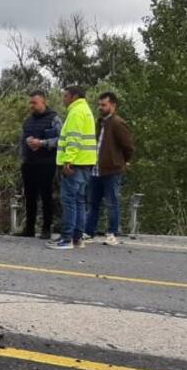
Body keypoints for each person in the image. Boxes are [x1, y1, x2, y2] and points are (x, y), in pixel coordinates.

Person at [84, 91, 135, 245]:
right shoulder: (99, 122)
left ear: (113, 105)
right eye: (99, 105)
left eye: (104, 105)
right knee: (93, 202)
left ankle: (112, 233)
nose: (100, 107)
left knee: (112, 202)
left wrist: (121, 162)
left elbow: (129, 147)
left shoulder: (118, 123)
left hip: (112, 170)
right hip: (96, 169)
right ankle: (89, 231)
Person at [51, 86, 97, 249]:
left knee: (69, 202)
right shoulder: (86, 110)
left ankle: (67, 239)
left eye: (65, 96)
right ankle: (77, 238)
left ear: (74, 96)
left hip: (74, 164)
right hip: (85, 163)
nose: (63, 99)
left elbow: (73, 139)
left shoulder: (76, 112)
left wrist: (67, 161)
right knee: (79, 201)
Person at [17, 90, 62, 238]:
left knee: (46, 196)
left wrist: (41, 143)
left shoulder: (54, 119)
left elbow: (62, 140)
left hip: (47, 164)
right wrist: (22, 158)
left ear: (43, 102)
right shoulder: (28, 121)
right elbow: (21, 141)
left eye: (34, 103)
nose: (32, 106)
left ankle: (46, 229)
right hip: (29, 163)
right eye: (30, 103)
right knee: (29, 197)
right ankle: (29, 228)